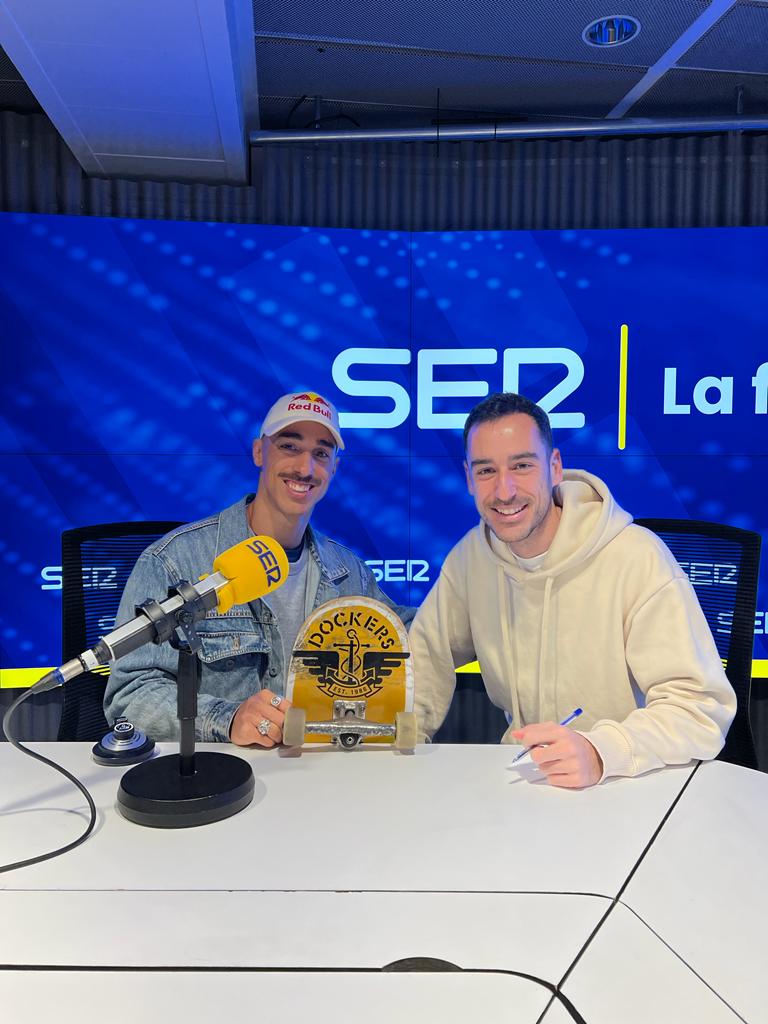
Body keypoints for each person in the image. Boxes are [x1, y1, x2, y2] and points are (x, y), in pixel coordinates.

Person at [410, 392, 736, 788]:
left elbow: (700, 709)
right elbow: (423, 659)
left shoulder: (635, 556)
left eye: (522, 465)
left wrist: (602, 751)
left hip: (629, 782)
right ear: (468, 478)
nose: (505, 490)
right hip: (526, 781)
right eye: (486, 471)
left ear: (555, 466)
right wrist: (395, 742)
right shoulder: (471, 559)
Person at [104, 390, 413, 747]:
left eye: (321, 453)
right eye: (289, 446)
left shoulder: (348, 571)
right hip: (220, 778)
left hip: (321, 773)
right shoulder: (174, 561)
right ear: (258, 451)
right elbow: (129, 696)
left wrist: (471, 599)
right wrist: (228, 718)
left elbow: (411, 634)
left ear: (333, 469)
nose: (304, 468)